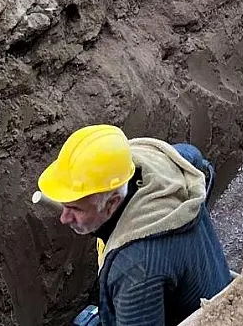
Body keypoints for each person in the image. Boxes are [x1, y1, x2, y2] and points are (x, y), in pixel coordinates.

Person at [38, 125, 232, 326]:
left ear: (113, 202)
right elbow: (190, 154)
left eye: (76, 209)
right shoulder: (155, 163)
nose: (64, 218)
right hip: (215, 291)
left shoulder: (135, 269)